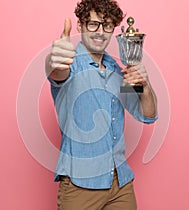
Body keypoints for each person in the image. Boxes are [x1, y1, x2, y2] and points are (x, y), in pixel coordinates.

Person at [45, 0, 158, 209]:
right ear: (80, 25)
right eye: (93, 24)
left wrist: (145, 84)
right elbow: (58, 73)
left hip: (120, 184)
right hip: (81, 185)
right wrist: (54, 60)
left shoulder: (117, 71)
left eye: (107, 25)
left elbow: (147, 114)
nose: (100, 32)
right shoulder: (71, 65)